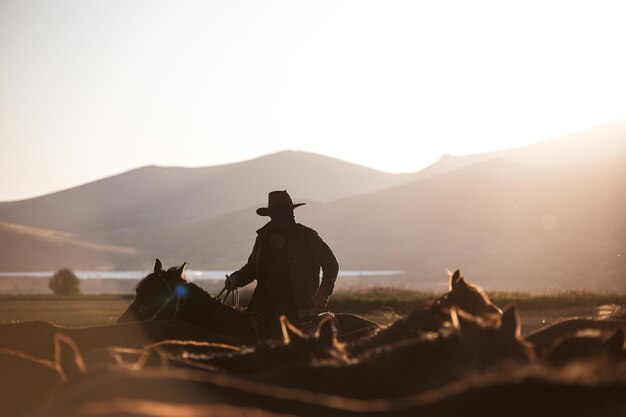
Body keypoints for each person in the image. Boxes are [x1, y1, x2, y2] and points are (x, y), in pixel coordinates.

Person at [225, 190, 339, 339]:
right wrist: (236, 278)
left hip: (297, 302)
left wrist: (324, 291)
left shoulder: (306, 236)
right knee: (243, 331)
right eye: (279, 213)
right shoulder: (262, 239)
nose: (286, 216)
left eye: (287, 212)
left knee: (278, 331)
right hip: (264, 301)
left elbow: (331, 264)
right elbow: (252, 268)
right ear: (271, 215)